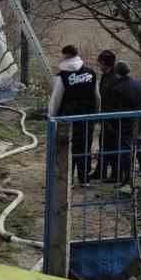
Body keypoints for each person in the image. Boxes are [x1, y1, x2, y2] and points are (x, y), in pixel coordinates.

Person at [48, 44, 99, 184]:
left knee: (67, 148)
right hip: (88, 117)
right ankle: (84, 179)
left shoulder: (62, 77)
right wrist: (96, 114)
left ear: (66, 56)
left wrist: (51, 117)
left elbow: (56, 99)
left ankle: (67, 180)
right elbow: (97, 96)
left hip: (67, 118)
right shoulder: (90, 73)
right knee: (85, 147)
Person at [112, 60, 141, 187]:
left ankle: (127, 179)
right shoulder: (140, 83)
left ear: (117, 74)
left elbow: (117, 108)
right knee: (139, 146)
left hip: (126, 123)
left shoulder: (117, 88)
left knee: (125, 151)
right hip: (140, 120)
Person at [93, 49, 119, 181]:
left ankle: (115, 174)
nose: (99, 66)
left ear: (105, 63)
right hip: (105, 116)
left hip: (113, 119)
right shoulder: (106, 76)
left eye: (100, 64)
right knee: (104, 145)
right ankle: (100, 171)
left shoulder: (115, 78)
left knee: (113, 146)